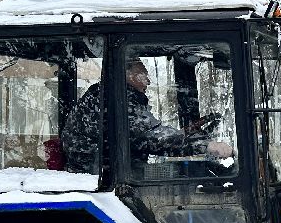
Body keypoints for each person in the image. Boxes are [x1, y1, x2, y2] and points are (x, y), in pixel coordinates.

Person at [62, 57, 233, 173]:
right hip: (99, 175)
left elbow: (147, 133)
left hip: (107, 169)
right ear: (126, 75)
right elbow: (152, 137)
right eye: (143, 75)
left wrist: (185, 135)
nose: (148, 82)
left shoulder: (113, 95)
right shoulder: (113, 99)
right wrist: (207, 146)